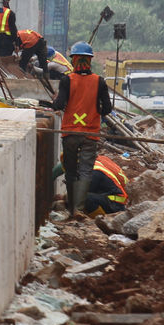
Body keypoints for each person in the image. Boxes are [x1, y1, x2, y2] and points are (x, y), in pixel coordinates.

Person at [52, 41, 112, 219]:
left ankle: (71, 209)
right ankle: (79, 208)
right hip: (90, 133)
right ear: (89, 61)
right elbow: (107, 109)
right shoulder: (99, 82)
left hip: (70, 132)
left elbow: (59, 104)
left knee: (71, 171)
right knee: (86, 170)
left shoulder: (67, 80)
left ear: (74, 60)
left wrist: (54, 102)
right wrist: (95, 110)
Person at [53, 154, 128, 217]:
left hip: (115, 205)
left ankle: (99, 219)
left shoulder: (92, 172)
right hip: (110, 201)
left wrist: (63, 198)